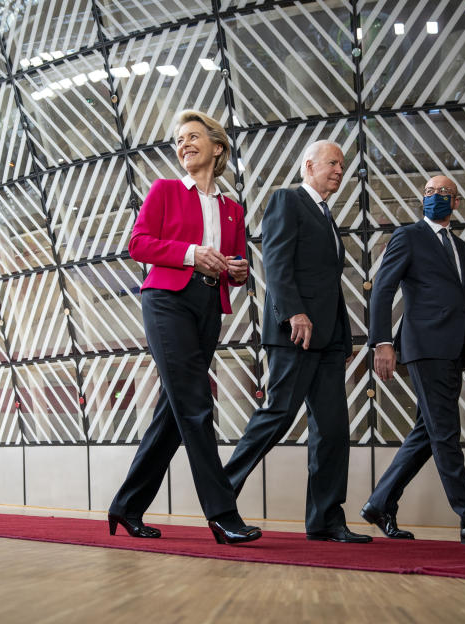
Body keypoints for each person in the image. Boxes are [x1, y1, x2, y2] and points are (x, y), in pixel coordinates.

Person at [107, 110, 261, 545]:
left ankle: (127, 505)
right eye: (178, 140)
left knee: (173, 415)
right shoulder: (166, 190)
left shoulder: (232, 209)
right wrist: (193, 253)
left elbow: (231, 265)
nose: (183, 144)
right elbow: (139, 244)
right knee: (196, 404)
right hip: (166, 300)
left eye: (193, 136)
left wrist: (238, 270)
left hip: (207, 305)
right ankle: (222, 513)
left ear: (217, 146)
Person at [362, 175, 465, 547]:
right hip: (424, 347)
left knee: (428, 431)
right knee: (446, 433)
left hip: (453, 350)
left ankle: (379, 503)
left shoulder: (461, 248)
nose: (434, 197)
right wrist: (382, 342)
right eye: (429, 192)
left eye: (443, 193)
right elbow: (383, 289)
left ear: (457, 203)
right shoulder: (408, 236)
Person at [223, 141, 371, 543]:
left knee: (334, 429)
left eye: (343, 164)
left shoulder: (325, 214)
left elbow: (330, 287)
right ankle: (219, 495)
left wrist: (342, 337)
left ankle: (326, 519)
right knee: (278, 415)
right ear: (309, 165)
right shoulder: (287, 201)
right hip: (294, 333)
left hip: (326, 342)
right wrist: (294, 313)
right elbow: (275, 260)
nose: (341, 169)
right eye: (333, 163)